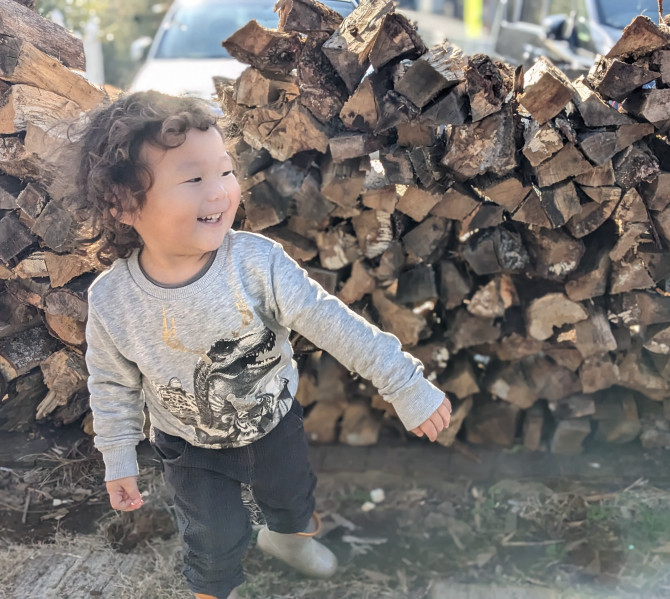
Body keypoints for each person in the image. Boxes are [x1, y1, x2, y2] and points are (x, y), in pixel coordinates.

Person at [77, 91, 451, 599]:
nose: (220, 192)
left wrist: (404, 384)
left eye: (225, 172)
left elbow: (333, 322)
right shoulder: (114, 300)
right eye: (193, 179)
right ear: (122, 203)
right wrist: (117, 456)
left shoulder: (257, 264)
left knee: (293, 503)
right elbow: (112, 383)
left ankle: (289, 541)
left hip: (274, 426)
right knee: (211, 541)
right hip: (189, 449)